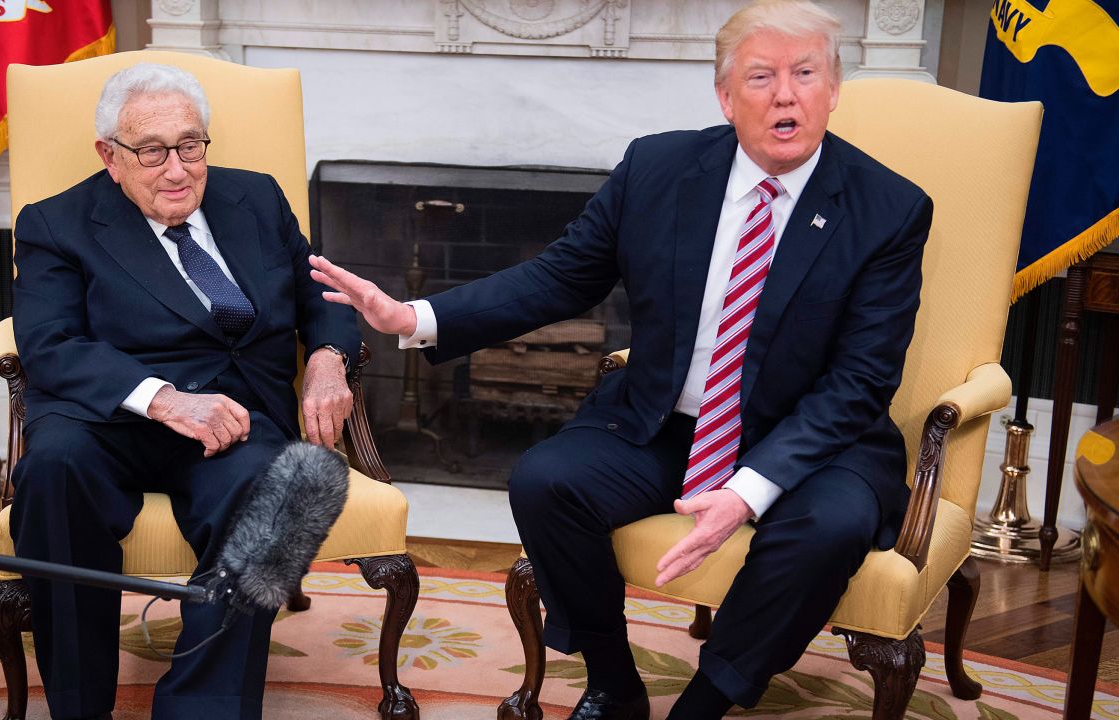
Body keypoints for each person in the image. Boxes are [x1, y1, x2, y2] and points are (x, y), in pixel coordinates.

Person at [308, 1, 932, 718]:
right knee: (548, 481)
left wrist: (748, 491)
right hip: (670, 422)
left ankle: (707, 699)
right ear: (726, 98)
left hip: (815, 443)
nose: (786, 94)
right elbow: (558, 277)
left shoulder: (888, 209)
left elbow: (860, 382)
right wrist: (413, 316)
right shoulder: (659, 168)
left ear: (834, 87)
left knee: (828, 528)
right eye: (761, 77)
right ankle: (614, 682)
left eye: (805, 73)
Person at [9, 63, 358, 720]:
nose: (177, 169)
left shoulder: (256, 199)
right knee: (53, 471)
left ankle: (203, 710)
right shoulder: (56, 223)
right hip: (105, 417)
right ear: (109, 156)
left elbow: (324, 292)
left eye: (190, 145)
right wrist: (163, 398)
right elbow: (49, 344)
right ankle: (79, 709)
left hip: (235, 414)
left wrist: (329, 359)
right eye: (152, 151)